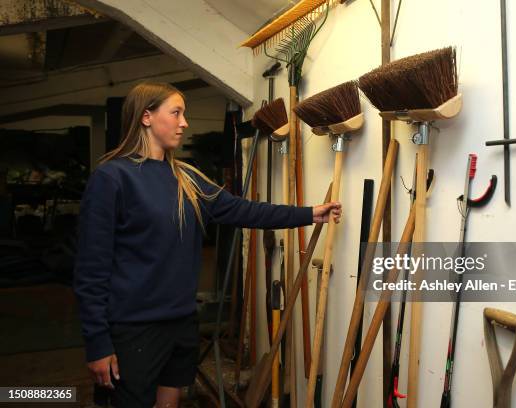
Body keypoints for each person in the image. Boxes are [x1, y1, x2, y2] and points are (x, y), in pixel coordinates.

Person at [73, 81, 341, 408]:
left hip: (181, 322)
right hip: (134, 329)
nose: (184, 122)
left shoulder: (186, 177)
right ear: (146, 117)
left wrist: (309, 213)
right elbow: (91, 270)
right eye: (176, 113)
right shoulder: (112, 178)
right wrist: (98, 343)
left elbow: (243, 210)